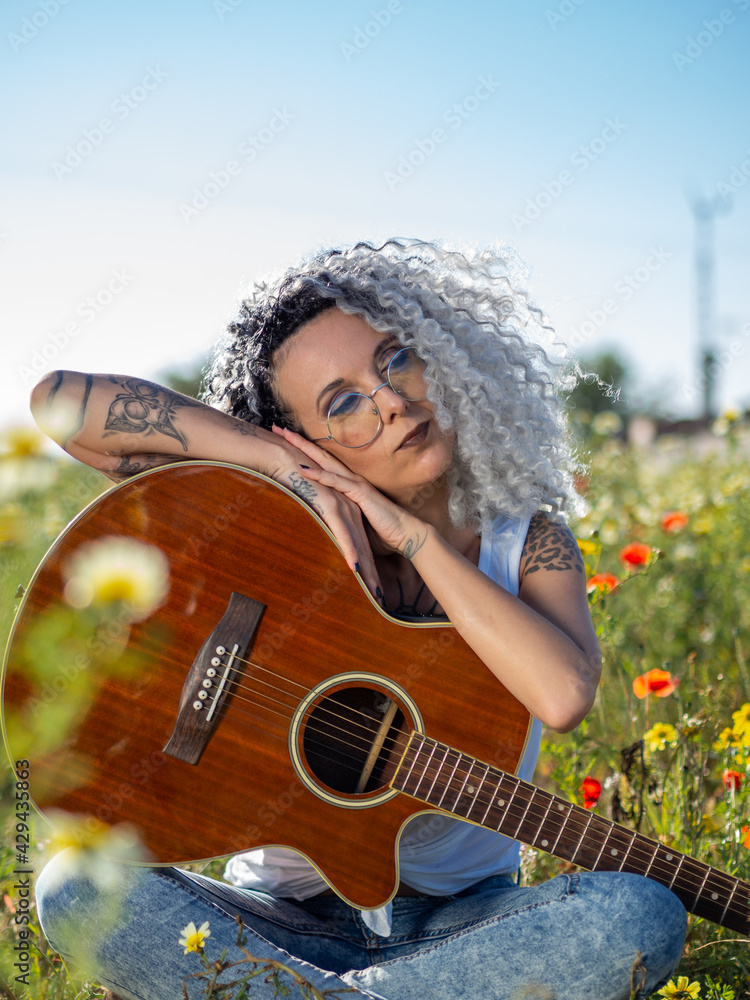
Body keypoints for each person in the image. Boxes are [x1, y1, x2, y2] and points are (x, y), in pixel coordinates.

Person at [31, 238, 686, 1000]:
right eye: (342, 404)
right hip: (282, 921)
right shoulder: (277, 535)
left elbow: (563, 694)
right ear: (305, 437)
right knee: (72, 887)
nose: (392, 402)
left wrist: (412, 537)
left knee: (638, 915)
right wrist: (287, 472)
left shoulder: (525, 541)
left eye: (395, 359)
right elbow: (60, 403)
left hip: (466, 929)